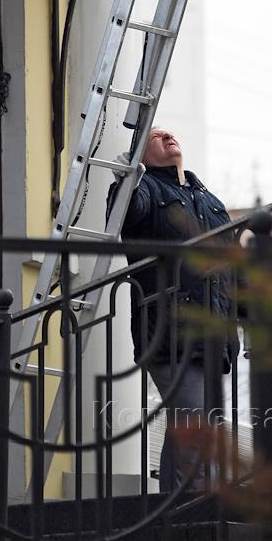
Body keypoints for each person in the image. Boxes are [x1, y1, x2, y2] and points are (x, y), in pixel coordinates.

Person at [107, 126, 239, 493]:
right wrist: (128, 182)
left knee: (191, 427)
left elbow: (234, 268)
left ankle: (169, 508)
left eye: (170, 134)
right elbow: (126, 216)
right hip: (170, 332)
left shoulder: (209, 200)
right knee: (196, 431)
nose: (168, 138)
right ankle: (194, 510)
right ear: (141, 156)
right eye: (156, 137)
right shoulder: (147, 189)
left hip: (212, 337)